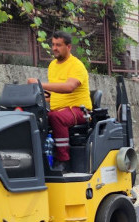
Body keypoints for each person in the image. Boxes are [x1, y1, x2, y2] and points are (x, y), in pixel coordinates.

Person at [41, 31, 92, 170]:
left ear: (68, 47)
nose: (54, 48)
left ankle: (64, 160)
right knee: (36, 117)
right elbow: (53, 92)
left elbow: (69, 87)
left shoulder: (76, 65)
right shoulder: (52, 66)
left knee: (55, 117)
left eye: (58, 45)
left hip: (80, 111)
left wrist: (40, 85)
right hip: (58, 109)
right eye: (53, 44)